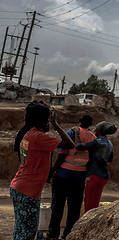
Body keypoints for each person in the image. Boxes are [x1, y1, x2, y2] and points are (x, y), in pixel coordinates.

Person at [9, 101, 75, 240]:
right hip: (28, 191)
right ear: (42, 119)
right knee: (27, 233)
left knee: (21, 230)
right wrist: (56, 124)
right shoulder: (38, 137)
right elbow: (70, 144)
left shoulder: (27, 133)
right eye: (46, 118)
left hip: (20, 187)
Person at [46, 115, 96, 240]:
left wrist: (53, 170)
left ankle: (53, 234)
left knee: (57, 206)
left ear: (79, 121)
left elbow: (62, 154)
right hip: (79, 177)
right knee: (74, 208)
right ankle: (68, 235)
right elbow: (91, 159)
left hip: (63, 175)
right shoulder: (93, 137)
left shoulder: (71, 132)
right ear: (90, 124)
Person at [75, 121, 117, 212]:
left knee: (89, 202)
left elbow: (79, 147)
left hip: (94, 174)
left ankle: (88, 224)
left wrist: (77, 134)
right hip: (103, 176)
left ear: (98, 130)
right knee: (95, 202)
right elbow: (110, 159)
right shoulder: (110, 143)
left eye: (96, 129)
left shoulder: (97, 142)